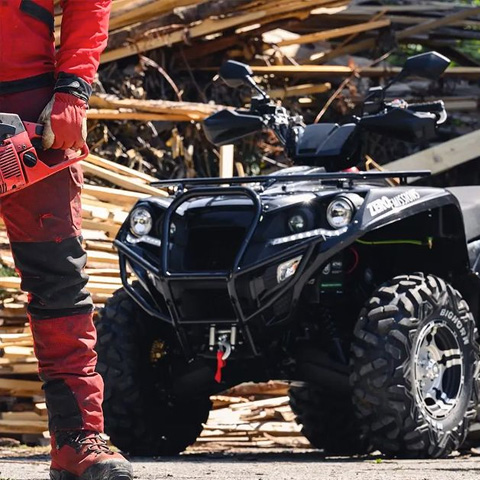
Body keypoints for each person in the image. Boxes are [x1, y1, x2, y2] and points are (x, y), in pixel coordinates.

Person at [0, 1, 133, 479]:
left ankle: (78, 439)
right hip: (27, 101)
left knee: (59, 282)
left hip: (30, 108)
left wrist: (74, 89)